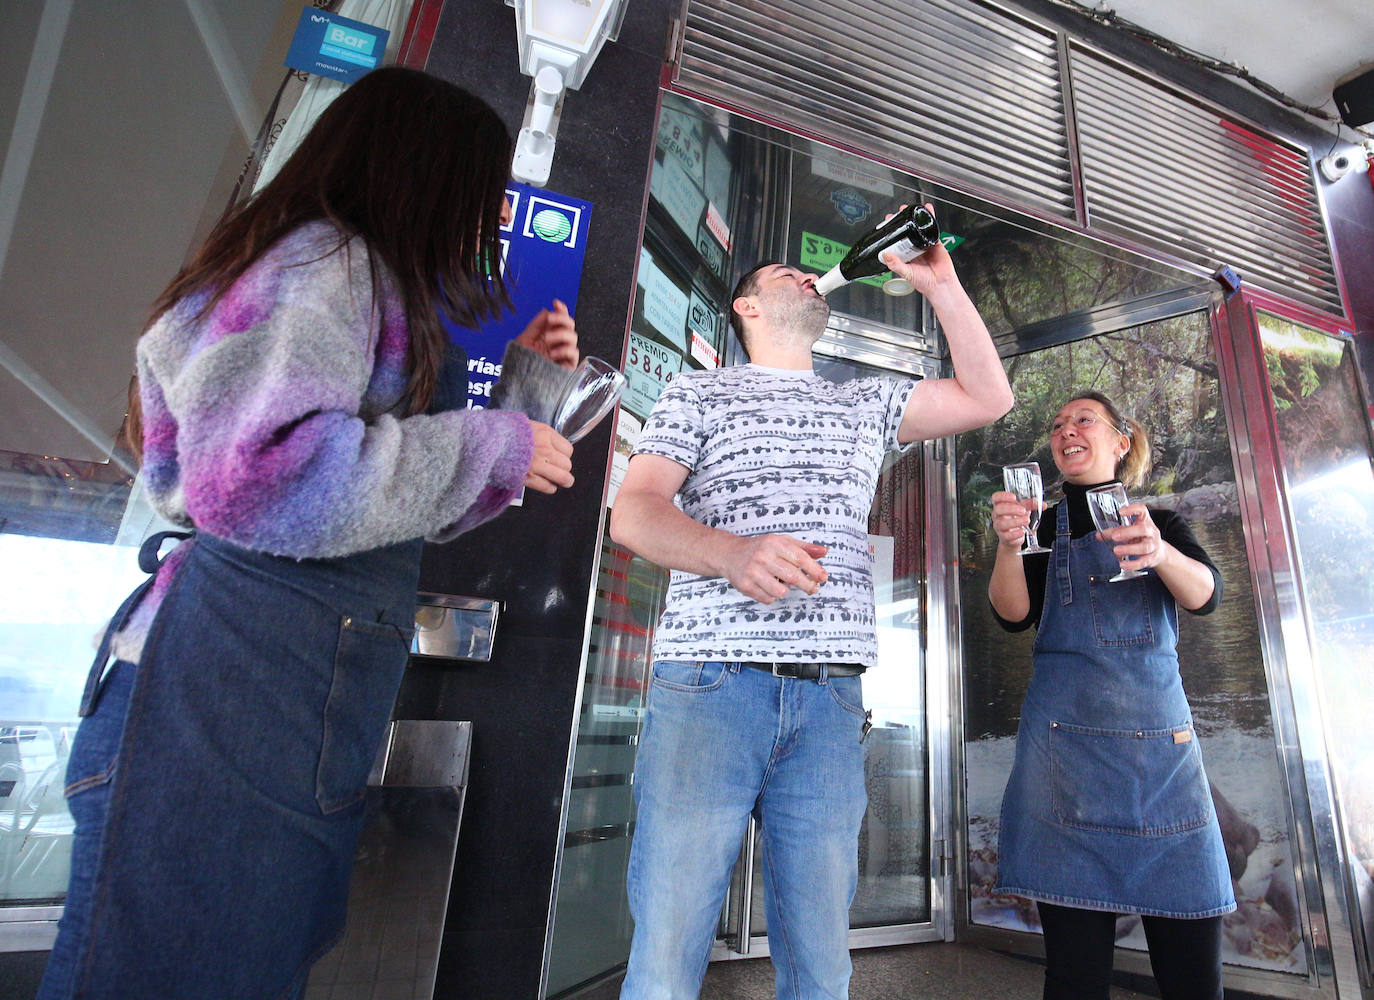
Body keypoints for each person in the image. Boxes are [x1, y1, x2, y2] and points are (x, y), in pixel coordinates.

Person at [38, 67, 579, 1000]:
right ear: (424, 171)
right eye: (487, 190)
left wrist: (524, 404)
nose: (497, 216)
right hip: (225, 688)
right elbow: (259, 484)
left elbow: (386, 502)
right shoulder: (319, 264)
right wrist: (497, 440)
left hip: (275, 686)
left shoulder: (360, 284)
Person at [609, 216, 1013, 1000]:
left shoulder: (865, 403)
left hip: (831, 701)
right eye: (779, 272)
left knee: (823, 965)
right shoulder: (700, 389)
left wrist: (942, 286)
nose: (802, 275)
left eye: (807, 270)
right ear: (746, 308)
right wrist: (731, 554)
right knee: (665, 954)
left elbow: (987, 396)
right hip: (709, 688)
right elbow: (635, 513)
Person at [987, 391, 1233, 1000]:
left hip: (1160, 762)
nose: (1066, 431)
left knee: (1193, 976)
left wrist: (1162, 553)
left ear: (1121, 443)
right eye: (1058, 424)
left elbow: (1207, 594)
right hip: (1063, 758)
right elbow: (1014, 616)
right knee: (1074, 976)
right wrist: (1006, 543)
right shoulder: (1037, 525)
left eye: (1084, 421)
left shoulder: (1160, 522)